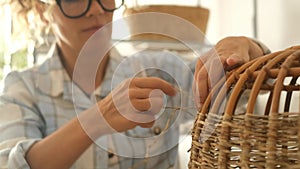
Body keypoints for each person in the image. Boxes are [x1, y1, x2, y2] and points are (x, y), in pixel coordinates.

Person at [0, 0, 268, 168]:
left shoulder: (158, 70)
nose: (95, 9)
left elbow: (239, 89)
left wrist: (244, 47)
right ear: (43, 11)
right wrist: (97, 119)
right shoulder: (23, 88)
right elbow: (12, 164)